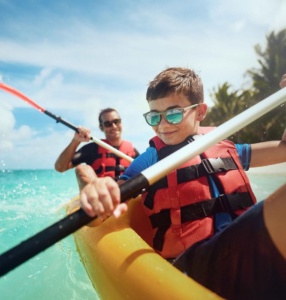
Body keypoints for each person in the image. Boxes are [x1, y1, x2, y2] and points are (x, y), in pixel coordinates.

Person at [78, 68, 286, 299]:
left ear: (200, 112)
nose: (163, 124)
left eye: (174, 113)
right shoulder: (150, 159)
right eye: (154, 116)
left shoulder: (226, 148)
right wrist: (92, 187)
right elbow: (100, 216)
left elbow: (283, 150)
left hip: (246, 254)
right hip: (196, 266)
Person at [54, 108, 139, 187]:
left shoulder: (133, 151)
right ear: (101, 127)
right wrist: (75, 141)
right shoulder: (92, 149)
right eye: (108, 124)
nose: (113, 126)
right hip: (100, 197)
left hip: (129, 196)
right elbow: (60, 167)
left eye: (116, 121)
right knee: (82, 168)